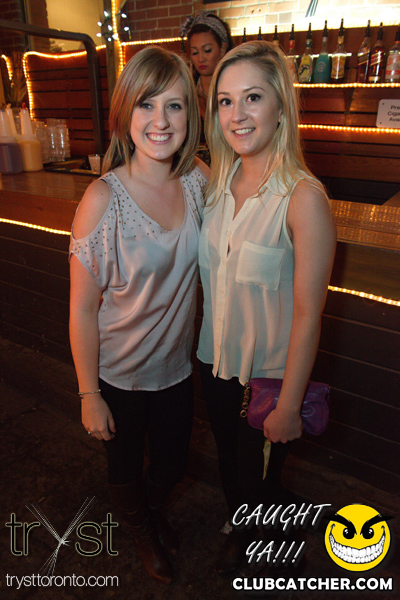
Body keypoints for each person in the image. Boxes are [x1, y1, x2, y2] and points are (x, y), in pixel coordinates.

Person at [69, 46, 209, 585]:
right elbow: (83, 308)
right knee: (125, 467)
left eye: (174, 105)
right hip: (120, 374)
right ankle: (142, 530)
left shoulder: (197, 179)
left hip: (175, 369)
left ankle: (149, 513)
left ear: (190, 115)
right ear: (125, 113)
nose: (160, 120)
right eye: (147, 104)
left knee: (172, 466)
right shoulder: (103, 199)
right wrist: (89, 393)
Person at [197, 41, 336, 577]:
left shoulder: (303, 198)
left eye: (252, 97)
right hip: (214, 365)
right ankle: (245, 524)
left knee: (258, 479)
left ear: (280, 105)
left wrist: (290, 404)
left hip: (268, 379)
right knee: (232, 467)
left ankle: (261, 548)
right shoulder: (216, 185)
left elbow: (308, 315)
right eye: (225, 101)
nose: (237, 114)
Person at [180, 11, 233, 132]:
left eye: (207, 50)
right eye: (195, 52)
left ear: (222, 49)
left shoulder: (234, 90)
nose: (200, 59)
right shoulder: (187, 92)